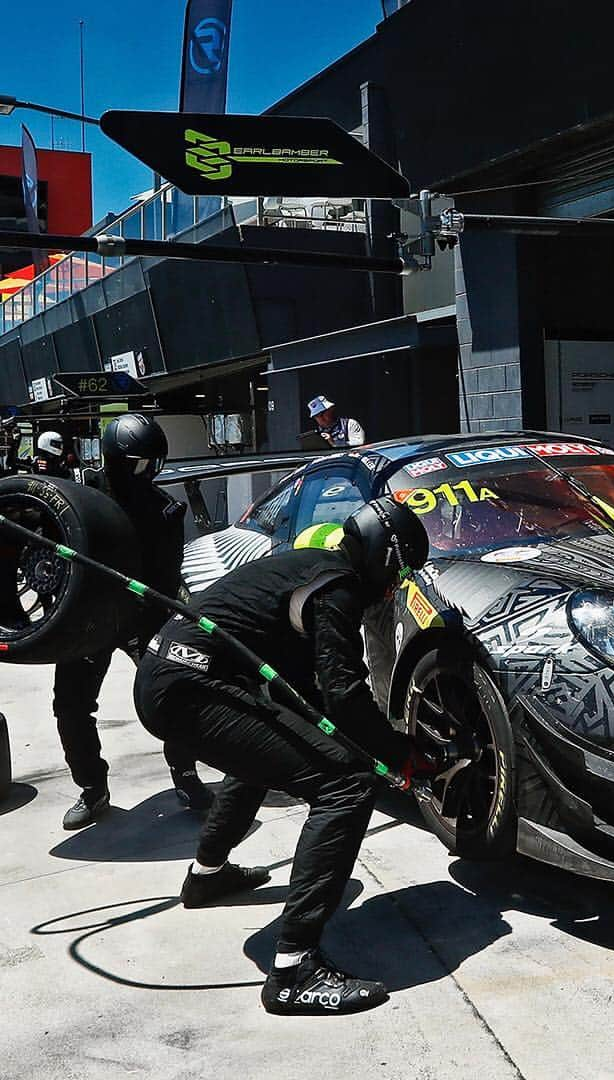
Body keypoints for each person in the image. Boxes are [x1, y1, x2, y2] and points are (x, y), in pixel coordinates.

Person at [133, 497, 442, 1016]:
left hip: (167, 677)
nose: (395, 589)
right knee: (346, 784)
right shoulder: (338, 587)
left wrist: (376, 744)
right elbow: (343, 694)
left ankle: (208, 876)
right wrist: (397, 755)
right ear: (385, 556)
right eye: (399, 574)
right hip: (189, 686)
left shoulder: (311, 570)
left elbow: (309, 696)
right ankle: (295, 971)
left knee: (274, 748)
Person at [55, 414, 212, 830]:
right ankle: (92, 789)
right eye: (143, 463)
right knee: (71, 705)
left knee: (173, 692)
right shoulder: (81, 496)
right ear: (119, 461)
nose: (151, 473)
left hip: (143, 616)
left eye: (155, 464)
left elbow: (165, 574)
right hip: (88, 617)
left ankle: (185, 774)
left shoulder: (164, 510)